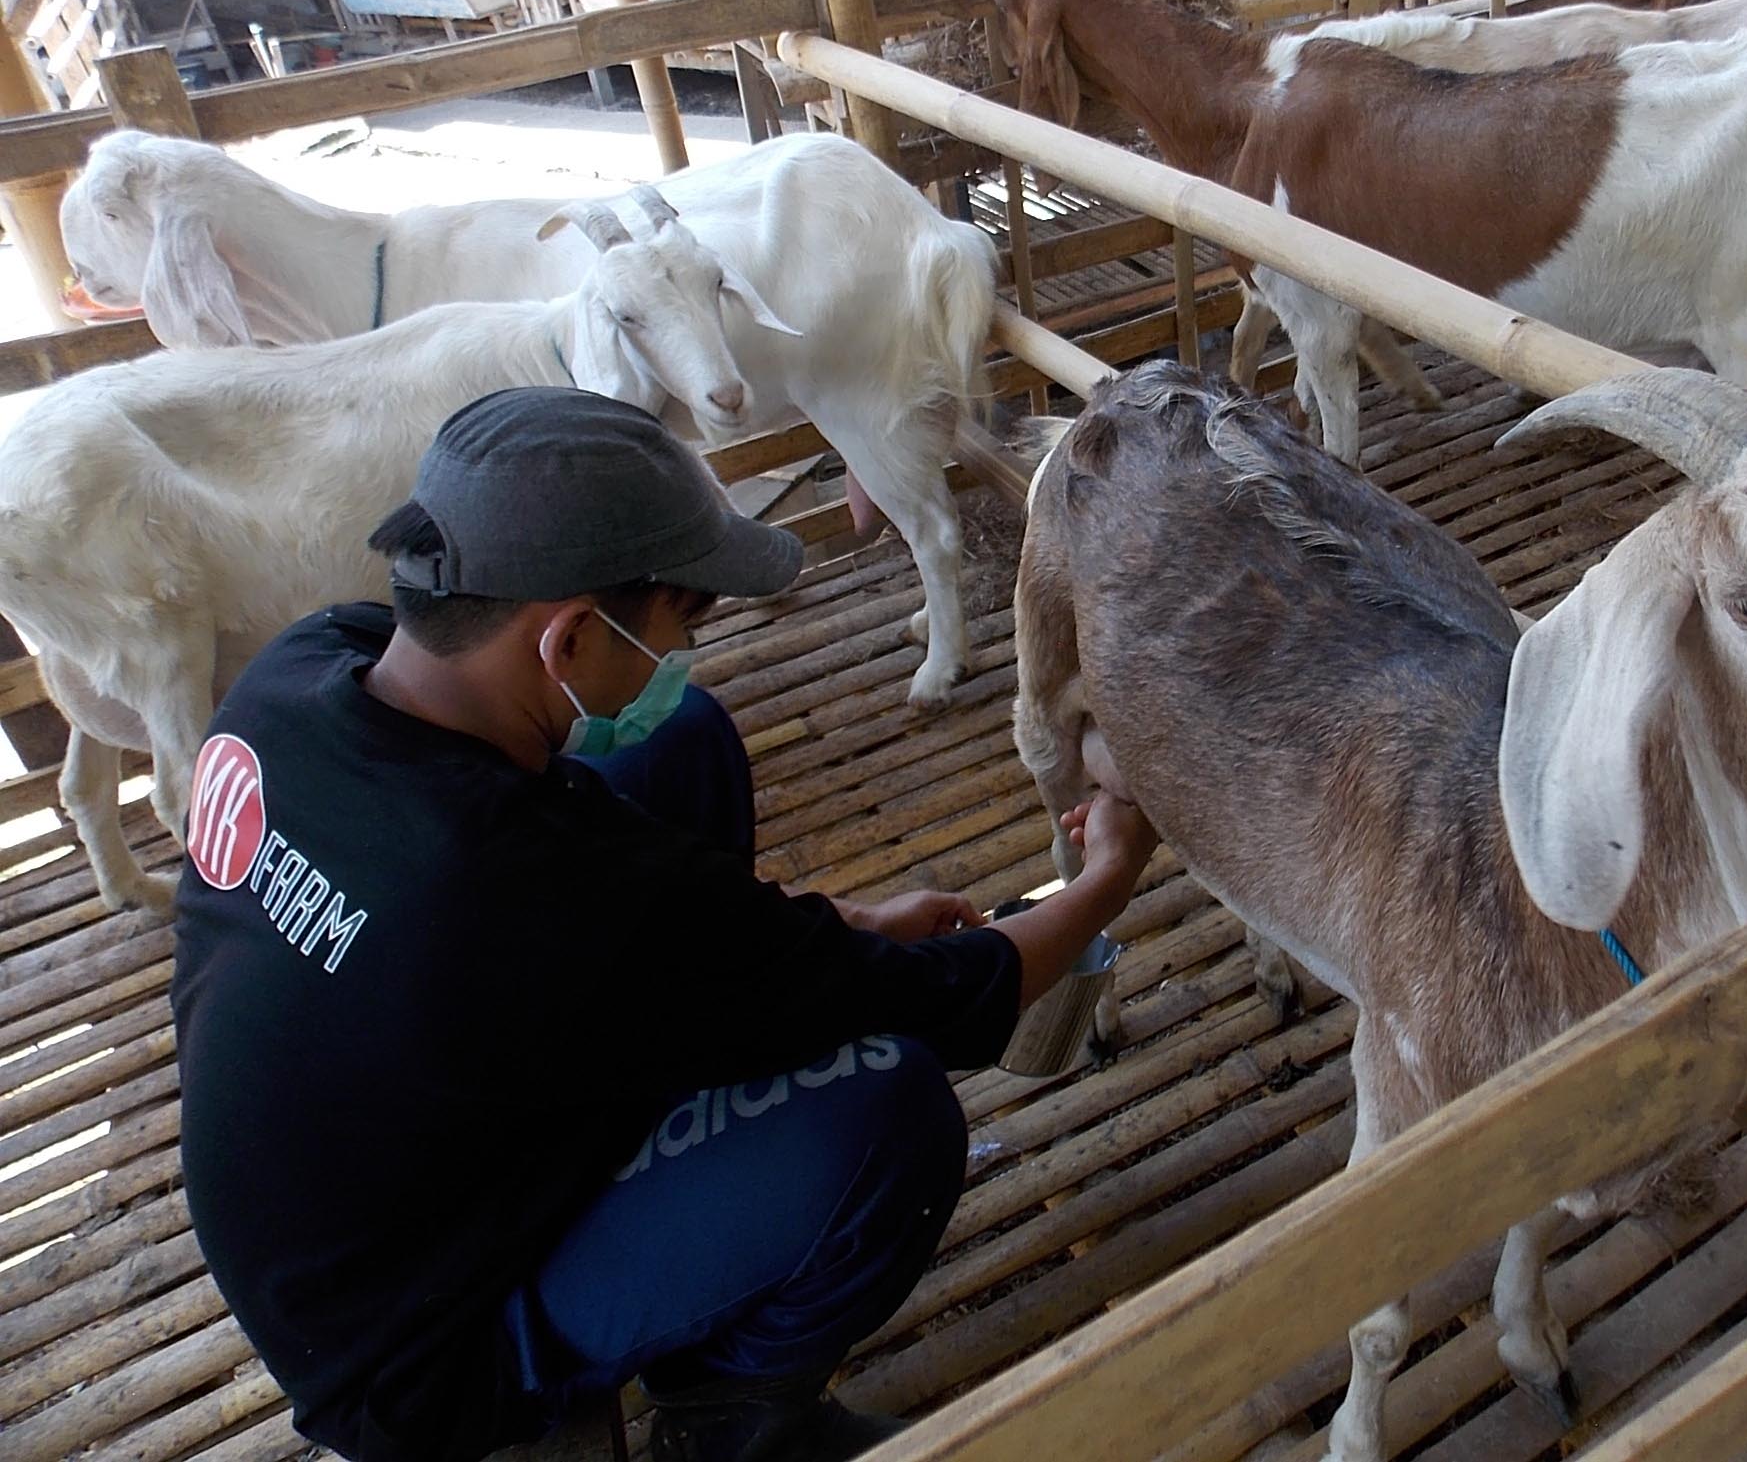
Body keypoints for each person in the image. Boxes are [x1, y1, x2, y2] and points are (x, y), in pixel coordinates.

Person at [170, 388, 1157, 1462]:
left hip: (350, 1197)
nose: (687, 647)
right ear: (569, 639)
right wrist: (1103, 879)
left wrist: (839, 923)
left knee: (668, 740)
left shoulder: (303, 668)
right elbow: (947, 999)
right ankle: (730, 1418)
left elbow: (608, 925)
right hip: (418, 1355)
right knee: (885, 1112)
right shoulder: (523, 891)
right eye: (683, 621)